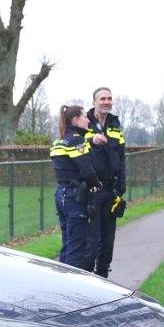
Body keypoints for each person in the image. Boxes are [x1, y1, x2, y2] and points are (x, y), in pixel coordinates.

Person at [51, 105, 102, 269]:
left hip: (61, 195)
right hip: (75, 197)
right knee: (76, 247)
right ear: (75, 120)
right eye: (85, 117)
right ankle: (71, 290)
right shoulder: (75, 140)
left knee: (67, 243)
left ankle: (60, 284)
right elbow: (87, 169)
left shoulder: (59, 141)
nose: (88, 120)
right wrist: (97, 184)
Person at [84, 87, 126, 277]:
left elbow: (122, 157)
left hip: (111, 189)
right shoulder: (84, 123)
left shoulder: (115, 124)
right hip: (92, 190)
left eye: (109, 98)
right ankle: (85, 279)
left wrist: (121, 186)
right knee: (92, 239)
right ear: (94, 102)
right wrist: (92, 139)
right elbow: (72, 144)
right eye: (102, 98)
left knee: (108, 238)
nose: (106, 102)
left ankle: (103, 278)